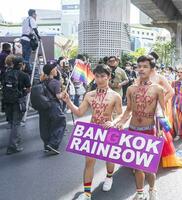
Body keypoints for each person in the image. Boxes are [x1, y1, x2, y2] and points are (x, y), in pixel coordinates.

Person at [62, 64, 123, 200]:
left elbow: (121, 115)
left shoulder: (115, 96)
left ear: (109, 77)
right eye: (97, 76)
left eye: (103, 76)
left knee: (109, 158)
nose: (99, 79)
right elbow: (79, 112)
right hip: (92, 131)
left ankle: (109, 177)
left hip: (109, 131)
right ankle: (87, 193)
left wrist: (113, 122)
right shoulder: (89, 95)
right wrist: (68, 102)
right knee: (89, 162)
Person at [115, 55, 164, 200]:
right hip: (133, 130)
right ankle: (140, 192)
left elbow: (162, 112)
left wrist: (161, 130)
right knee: (136, 166)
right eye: (139, 66)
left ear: (152, 69)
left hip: (150, 130)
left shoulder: (158, 89)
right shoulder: (130, 89)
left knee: (149, 167)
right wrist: (121, 122)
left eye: (145, 66)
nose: (141, 69)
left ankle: (152, 189)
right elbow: (129, 110)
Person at [2, 56, 31, 154]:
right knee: (16, 123)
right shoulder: (24, 75)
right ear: (20, 65)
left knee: (12, 123)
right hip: (18, 102)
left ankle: (15, 142)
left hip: (7, 101)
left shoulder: (6, 73)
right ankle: (13, 146)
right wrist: (24, 92)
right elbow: (28, 88)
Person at [39, 63, 66, 154]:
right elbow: (58, 96)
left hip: (43, 106)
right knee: (60, 123)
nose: (57, 70)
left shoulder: (42, 81)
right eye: (55, 69)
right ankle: (53, 144)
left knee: (45, 126)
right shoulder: (55, 82)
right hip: (53, 106)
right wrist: (63, 93)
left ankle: (47, 145)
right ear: (52, 71)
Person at [20, 9, 41, 74]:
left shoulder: (25, 20)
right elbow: (34, 28)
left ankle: (23, 68)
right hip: (27, 40)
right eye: (35, 14)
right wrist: (38, 36)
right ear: (33, 14)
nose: (36, 16)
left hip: (23, 39)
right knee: (27, 56)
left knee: (24, 55)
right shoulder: (31, 19)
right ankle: (27, 70)